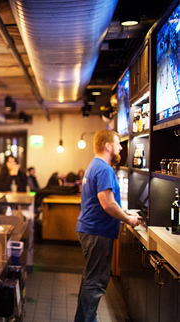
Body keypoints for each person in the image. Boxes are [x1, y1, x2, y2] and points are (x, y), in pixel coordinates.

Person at [74, 130, 142, 322]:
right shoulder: (104, 169)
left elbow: (108, 201)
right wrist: (127, 219)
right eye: (118, 143)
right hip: (97, 231)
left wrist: (124, 212)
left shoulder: (94, 166)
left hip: (91, 229)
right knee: (95, 283)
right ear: (108, 146)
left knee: (91, 280)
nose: (121, 147)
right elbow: (107, 204)